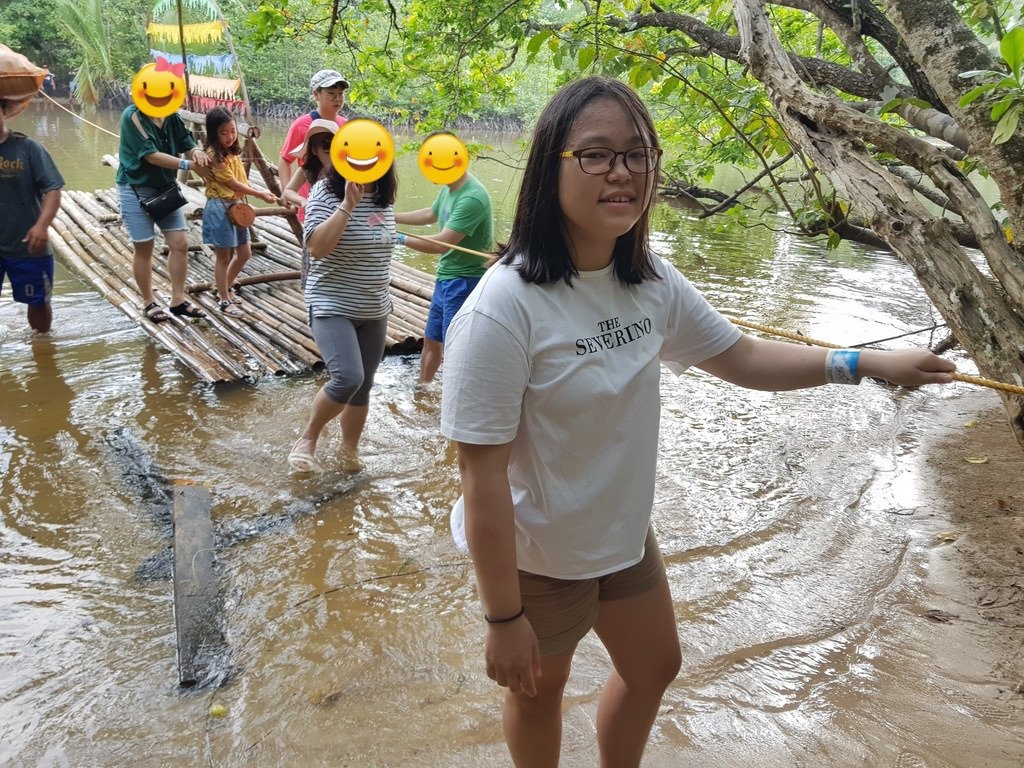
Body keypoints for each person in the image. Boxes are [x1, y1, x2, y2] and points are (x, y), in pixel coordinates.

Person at [439, 76, 958, 768]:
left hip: (620, 534)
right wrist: (502, 618)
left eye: (637, 153)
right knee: (539, 689)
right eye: (594, 155)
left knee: (655, 666)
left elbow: (739, 356)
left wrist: (860, 361)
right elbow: (483, 479)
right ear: (549, 167)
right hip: (537, 552)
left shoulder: (647, 279)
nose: (621, 172)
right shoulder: (503, 310)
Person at [286, 150, 399, 474]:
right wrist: (347, 205)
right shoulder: (326, 191)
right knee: (348, 377)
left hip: (375, 306)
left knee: (363, 385)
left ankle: (349, 451)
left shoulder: (383, 195)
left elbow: (381, 243)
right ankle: (308, 438)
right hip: (332, 303)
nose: (366, 164)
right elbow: (317, 247)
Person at [394, 135, 493, 384]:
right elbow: (431, 213)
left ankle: (457, 397)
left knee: (456, 345)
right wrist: (391, 217)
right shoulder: (450, 186)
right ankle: (423, 388)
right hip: (447, 277)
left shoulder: (472, 197)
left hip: (465, 280)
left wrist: (397, 238)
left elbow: (441, 243)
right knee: (432, 339)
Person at [115, 102, 211, 322]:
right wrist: (188, 165)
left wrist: (196, 152)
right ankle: (148, 302)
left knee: (180, 243)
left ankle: (177, 300)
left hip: (165, 188)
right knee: (144, 246)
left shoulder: (172, 116)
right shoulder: (133, 117)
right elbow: (150, 155)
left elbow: (187, 140)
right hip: (134, 188)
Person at [202, 107, 277, 316]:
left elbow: (237, 185)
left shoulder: (233, 152)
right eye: (223, 132)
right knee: (223, 256)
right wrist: (261, 194)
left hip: (237, 207)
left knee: (245, 252)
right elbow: (234, 184)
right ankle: (225, 299)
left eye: (232, 131)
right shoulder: (214, 156)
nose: (229, 136)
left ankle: (223, 288)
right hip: (220, 206)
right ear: (213, 133)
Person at [0, 98, 64, 333]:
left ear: (5, 112)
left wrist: (42, 225)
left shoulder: (28, 148)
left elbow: (53, 190)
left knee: (38, 302)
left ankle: (43, 351)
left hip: (28, 244)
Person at [278, 69, 348, 222]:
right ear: (316, 94)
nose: (337, 99)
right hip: (311, 202)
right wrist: (286, 192)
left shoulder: (345, 126)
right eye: (331, 94)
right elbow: (285, 159)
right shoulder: (302, 125)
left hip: (340, 200)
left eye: (341, 94)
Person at [280, 119, 338, 289]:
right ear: (314, 150)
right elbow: (288, 192)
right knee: (315, 266)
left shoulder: (346, 168)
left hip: (341, 223)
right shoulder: (309, 170)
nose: (332, 158)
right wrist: (303, 201)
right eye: (327, 152)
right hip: (317, 222)